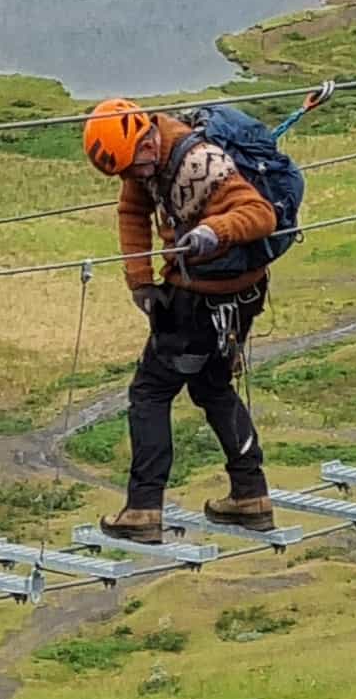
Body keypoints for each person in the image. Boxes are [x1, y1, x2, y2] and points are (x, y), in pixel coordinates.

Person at [81, 99, 278, 541]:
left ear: (148, 141)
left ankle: (143, 508)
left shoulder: (200, 164)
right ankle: (251, 495)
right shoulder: (143, 159)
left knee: (150, 391)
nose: (133, 178)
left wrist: (215, 232)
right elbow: (133, 211)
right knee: (212, 386)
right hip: (223, 296)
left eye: (135, 167)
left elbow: (261, 215)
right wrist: (140, 281)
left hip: (204, 299)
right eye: (123, 173)